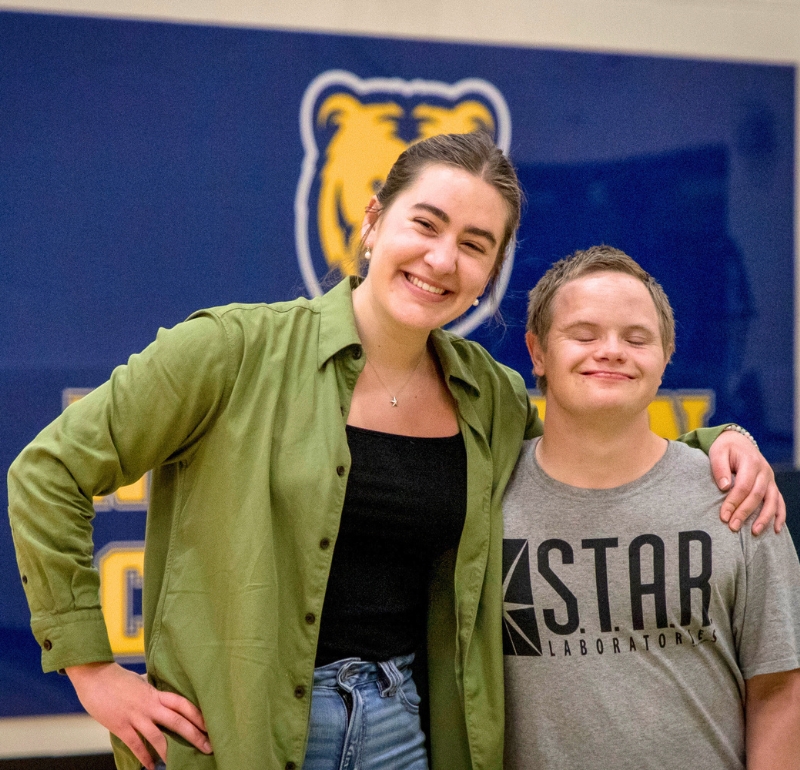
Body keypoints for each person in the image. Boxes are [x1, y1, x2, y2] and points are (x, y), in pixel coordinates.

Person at [7, 134, 784, 770]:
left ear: (491, 272)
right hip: (235, 735)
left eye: (475, 244)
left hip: (404, 733)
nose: (444, 259)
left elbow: (596, 444)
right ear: (374, 221)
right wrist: (92, 670)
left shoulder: (491, 393)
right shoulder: (229, 350)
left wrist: (721, 444)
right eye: (427, 223)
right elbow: (48, 475)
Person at [502, 245, 800, 769]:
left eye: (636, 338)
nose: (611, 351)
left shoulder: (738, 496)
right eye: (584, 335)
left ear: (665, 358)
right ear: (537, 351)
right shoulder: (484, 498)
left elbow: (778, 690)